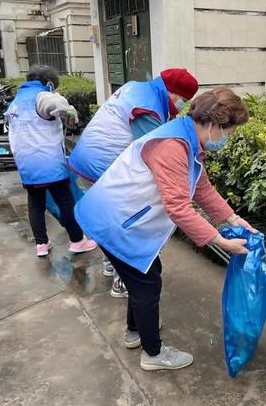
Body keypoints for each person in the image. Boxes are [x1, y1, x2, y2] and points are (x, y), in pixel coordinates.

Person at [75, 87, 255, 371]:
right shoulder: (173, 146)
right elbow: (179, 207)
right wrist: (220, 240)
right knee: (147, 284)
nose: (227, 139)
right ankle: (153, 354)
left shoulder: (186, 136)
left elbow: (201, 187)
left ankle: (136, 332)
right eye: (228, 132)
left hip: (119, 217)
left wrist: (232, 218)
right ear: (213, 123)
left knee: (145, 276)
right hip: (114, 221)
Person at [69, 68, 199, 298]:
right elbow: (154, 151)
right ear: (173, 93)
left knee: (107, 222)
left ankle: (110, 265)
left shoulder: (138, 88)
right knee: (124, 225)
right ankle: (122, 281)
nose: (182, 105)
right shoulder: (148, 108)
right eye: (183, 100)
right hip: (102, 166)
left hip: (86, 158)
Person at [6, 65, 97, 258]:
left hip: (25, 163)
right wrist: (72, 115)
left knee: (35, 203)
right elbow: (60, 104)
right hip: (48, 162)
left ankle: (41, 244)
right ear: (48, 83)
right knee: (65, 202)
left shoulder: (16, 101)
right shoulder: (42, 96)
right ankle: (77, 241)